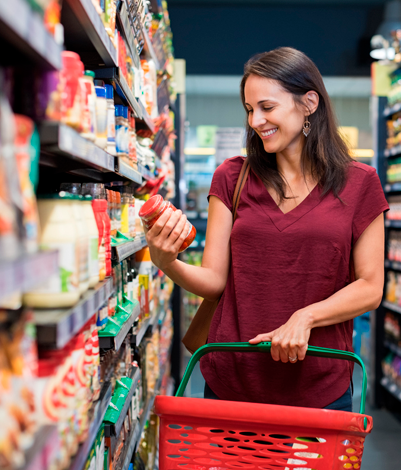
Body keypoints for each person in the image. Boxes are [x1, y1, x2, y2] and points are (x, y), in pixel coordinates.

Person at [144, 47, 388, 411]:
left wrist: (305, 317)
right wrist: (168, 262)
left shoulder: (359, 183)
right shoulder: (232, 176)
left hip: (319, 384)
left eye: (267, 107)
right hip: (234, 381)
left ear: (308, 103)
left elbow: (370, 286)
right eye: (249, 110)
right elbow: (215, 280)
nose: (256, 121)